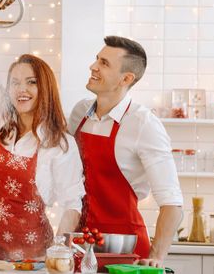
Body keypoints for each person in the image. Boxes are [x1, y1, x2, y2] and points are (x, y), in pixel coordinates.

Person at [0, 15, 85, 261]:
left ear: (45, 88)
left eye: (31, 82)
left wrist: (58, 253)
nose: (21, 89)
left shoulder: (60, 144)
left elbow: (72, 204)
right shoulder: (0, 123)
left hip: (35, 257)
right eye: (15, 83)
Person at [69, 35, 183, 268]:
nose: (93, 67)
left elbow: (172, 204)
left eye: (104, 63)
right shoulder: (80, 112)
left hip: (126, 254)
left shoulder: (143, 124)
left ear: (126, 78)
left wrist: (156, 257)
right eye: (97, 59)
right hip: (80, 246)